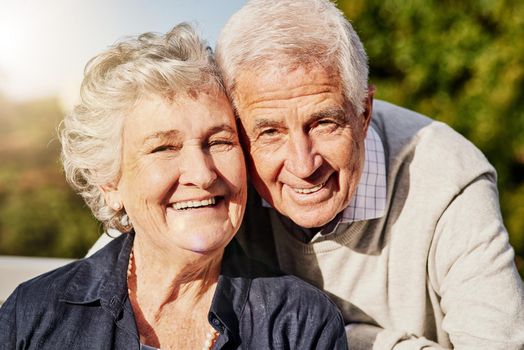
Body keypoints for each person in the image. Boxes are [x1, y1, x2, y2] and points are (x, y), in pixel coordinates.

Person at [0, 23, 348, 350]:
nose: (203, 173)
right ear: (109, 183)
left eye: (219, 141)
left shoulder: (299, 324)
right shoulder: (33, 314)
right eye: (164, 147)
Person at [212, 0, 524, 349]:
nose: (304, 165)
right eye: (270, 132)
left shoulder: (448, 177)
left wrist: (349, 341)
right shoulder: (224, 178)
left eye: (323, 123)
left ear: (363, 113)